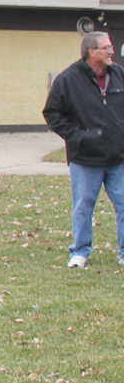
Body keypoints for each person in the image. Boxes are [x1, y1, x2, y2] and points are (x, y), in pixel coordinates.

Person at [42, 30, 124, 268]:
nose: (112, 51)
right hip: (85, 158)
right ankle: (80, 252)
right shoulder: (68, 80)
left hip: (118, 156)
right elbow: (52, 113)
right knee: (83, 206)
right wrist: (78, 137)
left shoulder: (119, 75)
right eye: (107, 48)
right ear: (92, 52)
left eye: (111, 47)